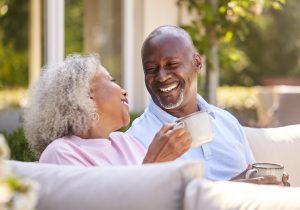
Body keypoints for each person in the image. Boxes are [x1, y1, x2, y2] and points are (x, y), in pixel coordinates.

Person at [127, 25, 289, 186]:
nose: (161, 77)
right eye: (151, 69)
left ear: (197, 62)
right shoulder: (136, 138)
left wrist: (270, 186)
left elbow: (252, 178)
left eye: (172, 65)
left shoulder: (226, 121)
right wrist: (234, 190)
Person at [24, 54, 192, 166]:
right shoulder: (60, 153)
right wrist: (154, 163)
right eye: (112, 80)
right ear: (86, 94)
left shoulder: (126, 142)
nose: (124, 90)